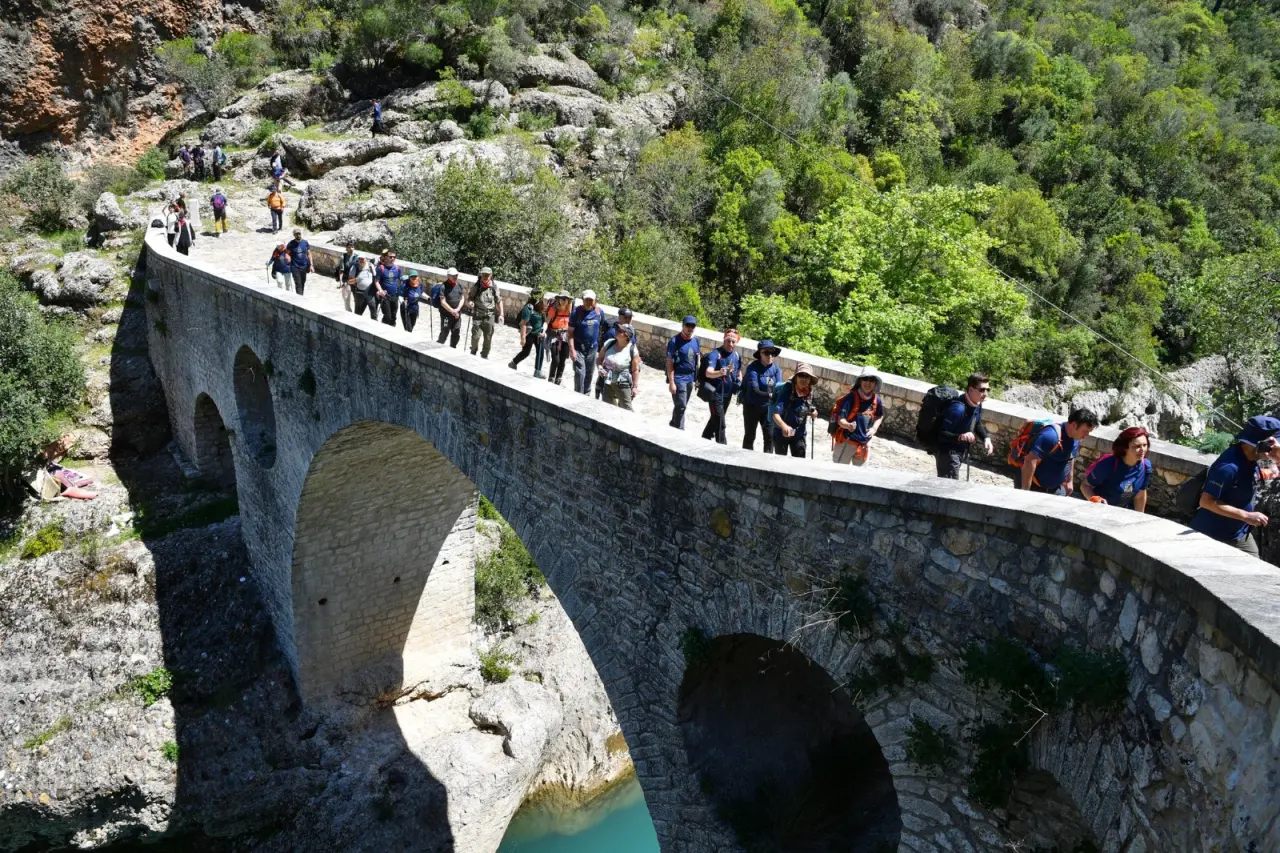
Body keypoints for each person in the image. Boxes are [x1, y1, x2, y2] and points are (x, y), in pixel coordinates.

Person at [1190, 416, 1280, 556]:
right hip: (1213, 534)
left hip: (1239, 531)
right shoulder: (1229, 467)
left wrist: (1276, 460)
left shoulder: (1250, 457)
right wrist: (1246, 516)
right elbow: (1206, 501)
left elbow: (1247, 477)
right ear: (1261, 445)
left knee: (1255, 566)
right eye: (1272, 444)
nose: (1275, 447)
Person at [1017, 407, 1099, 495]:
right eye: (1085, 431)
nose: (1087, 435)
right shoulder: (1051, 436)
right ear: (1074, 425)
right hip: (1033, 487)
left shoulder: (1076, 438)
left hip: (1056, 489)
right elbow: (1030, 461)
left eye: (1089, 432)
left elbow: (1071, 457)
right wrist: (1025, 492)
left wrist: (1069, 481)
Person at [934, 373, 994, 479]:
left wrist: (986, 438)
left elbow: (976, 422)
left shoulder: (976, 404)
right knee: (948, 486)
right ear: (971, 389)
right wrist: (960, 437)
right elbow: (940, 434)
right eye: (982, 390)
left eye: (987, 390)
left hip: (960, 451)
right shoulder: (958, 409)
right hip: (948, 453)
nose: (985, 393)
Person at [1082, 426, 1152, 512]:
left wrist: (1140, 517)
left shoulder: (1145, 466)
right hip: (1098, 511)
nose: (1142, 450)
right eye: (1137, 446)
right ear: (1125, 448)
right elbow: (1085, 486)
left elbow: (1140, 495)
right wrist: (1095, 501)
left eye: (1145, 445)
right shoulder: (1108, 464)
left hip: (1121, 513)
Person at [831, 373, 886, 465]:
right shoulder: (850, 398)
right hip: (847, 442)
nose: (868, 382)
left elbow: (879, 416)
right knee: (838, 471)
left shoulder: (877, 400)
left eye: (871, 380)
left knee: (860, 473)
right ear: (860, 381)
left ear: (875, 383)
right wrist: (848, 425)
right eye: (865, 379)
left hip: (864, 444)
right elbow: (840, 420)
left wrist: (874, 428)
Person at [739, 339, 782, 453]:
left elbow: (779, 388)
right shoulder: (753, 368)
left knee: (770, 437)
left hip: (768, 408)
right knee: (750, 436)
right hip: (752, 407)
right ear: (760, 354)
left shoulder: (776, 369)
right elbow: (755, 390)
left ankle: (767, 461)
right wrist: (770, 394)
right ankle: (745, 459)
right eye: (766, 353)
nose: (770, 356)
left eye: (772, 352)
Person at [701, 329, 742, 444]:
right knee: (721, 424)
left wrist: (739, 382)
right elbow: (708, 373)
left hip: (727, 395)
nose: (731, 344)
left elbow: (739, 371)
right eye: (728, 341)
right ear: (724, 340)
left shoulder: (736, 355)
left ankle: (705, 438)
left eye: (733, 342)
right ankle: (723, 448)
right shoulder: (715, 354)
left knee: (715, 419)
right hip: (715, 394)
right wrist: (720, 372)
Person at [771, 363, 819, 457]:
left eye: (807, 376)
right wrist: (784, 426)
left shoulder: (809, 392)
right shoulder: (787, 390)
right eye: (801, 375)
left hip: (799, 434)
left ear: (810, 379)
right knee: (780, 462)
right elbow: (775, 414)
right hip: (782, 433)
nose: (803, 379)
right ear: (796, 377)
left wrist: (813, 412)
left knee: (799, 462)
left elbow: (808, 407)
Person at [666, 316, 700, 429]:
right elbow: (669, 363)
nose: (690, 328)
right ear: (683, 325)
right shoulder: (674, 342)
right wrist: (671, 382)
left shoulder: (696, 340)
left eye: (692, 326)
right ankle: (679, 430)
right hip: (678, 377)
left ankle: (673, 423)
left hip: (690, 378)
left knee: (680, 405)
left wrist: (697, 378)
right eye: (687, 325)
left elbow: (697, 359)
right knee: (681, 405)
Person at [570, 289, 606, 394]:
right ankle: (578, 395)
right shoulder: (576, 312)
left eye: (591, 300)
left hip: (593, 349)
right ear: (583, 300)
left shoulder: (599, 313)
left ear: (595, 301)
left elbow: (602, 327)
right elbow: (570, 333)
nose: (589, 302)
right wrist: (572, 350)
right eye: (587, 300)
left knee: (589, 374)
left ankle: (586, 395)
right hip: (579, 348)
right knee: (580, 373)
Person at [599, 324, 640, 410]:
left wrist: (635, 387)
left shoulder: (632, 350)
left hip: (623, 383)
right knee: (607, 407)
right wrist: (600, 368)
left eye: (620, 331)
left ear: (627, 335)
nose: (616, 331)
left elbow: (635, 370)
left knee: (626, 409)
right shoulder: (609, 343)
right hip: (607, 381)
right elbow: (599, 359)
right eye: (617, 329)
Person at [595, 307, 634, 399]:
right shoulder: (613, 332)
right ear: (620, 317)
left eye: (630, 317)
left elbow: (633, 346)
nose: (628, 320)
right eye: (626, 317)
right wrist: (601, 367)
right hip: (609, 372)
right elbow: (604, 352)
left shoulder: (631, 330)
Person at [467, 267, 503, 358]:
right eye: (484, 275)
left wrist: (501, 314)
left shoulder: (494, 287)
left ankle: (484, 355)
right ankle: (473, 351)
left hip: (489, 316)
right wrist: (470, 302)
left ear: (491, 276)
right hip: (478, 315)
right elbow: (470, 297)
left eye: (487, 275)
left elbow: (499, 301)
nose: (485, 277)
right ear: (481, 275)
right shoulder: (477, 286)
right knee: (475, 337)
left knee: (488, 338)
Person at [510, 291, 547, 377]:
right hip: (530, 334)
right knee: (526, 352)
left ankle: (537, 371)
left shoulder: (541, 307)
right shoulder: (528, 308)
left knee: (540, 353)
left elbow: (544, 321)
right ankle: (513, 362)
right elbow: (523, 324)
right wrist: (523, 338)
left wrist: (543, 331)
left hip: (539, 335)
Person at [545, 292, 573, 384]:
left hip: (565, 337)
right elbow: (546, 322)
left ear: (568, 300)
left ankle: (558, 378)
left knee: (562, 360)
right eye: (562, 298)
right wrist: (543, 330)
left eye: (566, 299)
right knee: (556, 359)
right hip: (554, 336)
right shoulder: (553, 310)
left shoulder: (570, 310)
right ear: (558, 299)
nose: (564, 301)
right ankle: (551, 377)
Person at [436, 267, 465, 347]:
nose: (455, 277)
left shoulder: (459, 286)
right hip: (446, 315)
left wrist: (457, 310)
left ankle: (453, 348)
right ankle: (438, 347)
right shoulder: (443, 286)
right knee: (444, 332)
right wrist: (452, 311)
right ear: (448, 276)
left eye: (456, 275)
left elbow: (462, 298)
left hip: (457, 315)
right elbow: (442, 302)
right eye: (453, 275)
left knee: (456, 332)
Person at [376, 249, 404, 327]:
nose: (392, 258)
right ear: (386, 257)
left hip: (395, 295)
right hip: (385, 296)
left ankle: (392, 330)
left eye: (394, 257)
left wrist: (401, 291)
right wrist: (380, 290)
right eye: (390, 257)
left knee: (393, 316)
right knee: (387, 316)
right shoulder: (381, 268)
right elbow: (377, 281)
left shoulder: (397, 268)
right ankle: (382, 329)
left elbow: (401, 280)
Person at [286, 228, 313, 295]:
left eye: (299, 233)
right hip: (295, 267)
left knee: (302, 283)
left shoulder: (305, 242)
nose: (298, 235)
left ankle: (300, 296)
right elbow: (287, 253)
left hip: (304, 266)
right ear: (294, 235)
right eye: (296, 234)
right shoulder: (291, 244)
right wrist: (288, 258)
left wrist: (311, 265)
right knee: (298, 283)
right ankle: (299, 298)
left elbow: (309, 254)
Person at [337, 241, 358, 311]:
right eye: (349, 247)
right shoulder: (343, 257)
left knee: (356, 299)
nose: (351, 248)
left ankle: (357, 313)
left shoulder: (357, 257)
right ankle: (348, 311)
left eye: (352, 247)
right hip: (346, 280)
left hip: (355, 281)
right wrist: (340, 281)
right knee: (346, 298)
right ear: (346, 248)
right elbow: (341, 270)